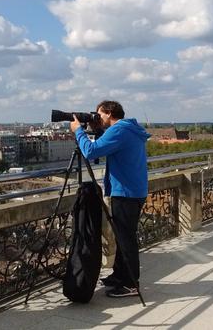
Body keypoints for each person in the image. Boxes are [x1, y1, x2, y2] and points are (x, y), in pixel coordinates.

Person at [70, 100, 150, 298]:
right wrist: (97, 130)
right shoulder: (128, 128)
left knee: (126, 239)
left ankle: (131, 284)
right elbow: (108, 145)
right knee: (124, 237)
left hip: (125, 192)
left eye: (99, 115)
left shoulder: (120, 130)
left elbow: (90, 152)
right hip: (134, 190)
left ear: (108, 113)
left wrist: (78, 131)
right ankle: (120, 276)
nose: (97, 118)